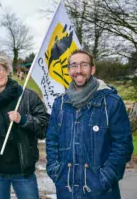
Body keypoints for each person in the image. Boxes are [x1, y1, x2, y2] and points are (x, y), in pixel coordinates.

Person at [46, 50, 133, 199]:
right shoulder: (59, 104)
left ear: (92, 69)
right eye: (74, 65)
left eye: (84, 65)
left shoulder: (111, 102)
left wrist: (104, 179)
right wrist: (56, 172)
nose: (78, 70)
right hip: (67, 190)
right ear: (68, 70)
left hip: (102, 192)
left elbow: (122, 145)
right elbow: (52, 141)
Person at [0, 54, 49, 199]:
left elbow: (44, 127)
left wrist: (23, 119)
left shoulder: (27, 96)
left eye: (0, 69)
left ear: (8, 70)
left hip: (22, 171)